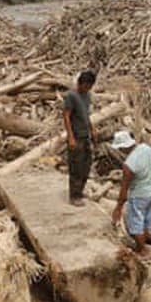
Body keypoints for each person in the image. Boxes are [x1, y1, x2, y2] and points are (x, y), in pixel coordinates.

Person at [110, 130, 151, 255]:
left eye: (120, 148)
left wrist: (118, 207)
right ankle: (143, 244)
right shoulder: (146, 148)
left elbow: (124, 189)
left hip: (139, 194)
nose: (120, 151)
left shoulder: (129, 165)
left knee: (135, 224)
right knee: (146, 220)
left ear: (124, 147)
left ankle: (142, 249)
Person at [63, 69, 97, 205]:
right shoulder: (71, 96)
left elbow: (86, 114)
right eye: (87, 86)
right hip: (76, 136)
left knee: (86, 165)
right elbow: (66, 116)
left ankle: (80, 191)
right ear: (80, 83)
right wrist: (70, 137)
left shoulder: (87, 96)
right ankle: (74, 196)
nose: (88, 89)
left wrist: (92, 129)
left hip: (85, 135)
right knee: (76, 167)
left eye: (90, 86)